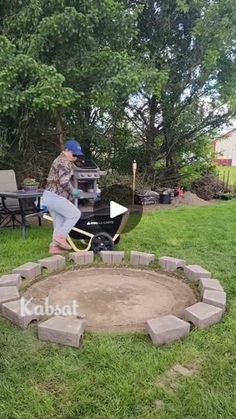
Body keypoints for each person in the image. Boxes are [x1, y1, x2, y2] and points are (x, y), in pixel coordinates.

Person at [42, 139, 83, 255]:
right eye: (74, 154)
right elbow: (64, 182)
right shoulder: (64, 162)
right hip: (55, 196)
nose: (75, 157)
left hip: (49, 196)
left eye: (77, 155)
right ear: (67, 150)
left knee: (59, 221)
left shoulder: (60, 160)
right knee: (75, 214)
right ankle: (61, 237)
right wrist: (74, 191)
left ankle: (54, 247)